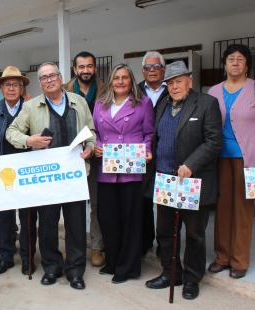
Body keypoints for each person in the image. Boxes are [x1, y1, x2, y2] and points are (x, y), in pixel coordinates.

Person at [6, 62, 95, 290]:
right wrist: (29, 140)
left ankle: (75, 271)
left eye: (52, 75)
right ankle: (52, 267)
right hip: (47, 177)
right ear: (40, 82)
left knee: (76, 225)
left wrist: (91, 147)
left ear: (61, 77)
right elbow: (11, 132)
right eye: (43, 78)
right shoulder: (31, 106)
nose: (48, 80)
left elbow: (91, 131)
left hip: (74, 174)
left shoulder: (79, 102)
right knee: (47, 225)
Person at [144, 61, 222, 300]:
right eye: (170, 83)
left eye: (179, 81)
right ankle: (171, 273)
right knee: (166, 232)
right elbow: (155, 137)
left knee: (195, 234)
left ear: (190, 80)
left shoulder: (206, 103)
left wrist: (191, 164)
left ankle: (191, 279)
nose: (174, 87)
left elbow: (213, 141)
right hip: (166, 181)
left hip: (192, 181)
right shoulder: (163, 104)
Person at [208, 44, 255, 279]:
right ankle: (222, 256)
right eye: (230, 59)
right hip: (219, 158)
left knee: (243, 211)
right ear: (224, 64)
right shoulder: (214, 91)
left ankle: (239, 260)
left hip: (248, 158)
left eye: (240, 59)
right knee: (222, 208)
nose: (235, 62)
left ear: (247, 65)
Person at [93, 64, 154, 283]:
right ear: (110, 81)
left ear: (131, 80)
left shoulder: (143, 103)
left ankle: (127, 267)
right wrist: (97, 145)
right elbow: (96, 132)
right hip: (107, 168)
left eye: (125, 78)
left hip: (131, 168)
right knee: (108, 218)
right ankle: (112, 261)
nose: (120, 81)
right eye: (116, 78)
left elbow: (149, 133)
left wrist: (146, 150)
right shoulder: (100, 104)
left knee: (131, 219)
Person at [0, 66, 37, 275]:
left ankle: (28, 256)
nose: (11, 88)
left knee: (28, 215)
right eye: (7, 84)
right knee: (3, 215)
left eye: (16, 84)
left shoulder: (32, 109)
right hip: (2, 171)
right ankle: (5, 256)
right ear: (1, 87)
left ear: (22, 88)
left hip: (27, 171)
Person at [64, 51, 105, 267]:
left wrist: (98, 146)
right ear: (75, 69)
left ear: (95, 68)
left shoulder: (106, 90)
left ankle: (97, 247)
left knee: (97, 204)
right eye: (81, 67)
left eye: (90, 66)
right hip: (73, 156)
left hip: (98, 154)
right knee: (74, 204)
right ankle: (75, 248)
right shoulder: (64, 90)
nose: (86, 70)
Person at [138, 51, 169, 256]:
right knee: (143, 199)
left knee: (166, 202)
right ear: (142, 71)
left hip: (167, 152)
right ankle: (145, 241)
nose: (152, 71)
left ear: (163, 70)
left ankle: (165, 246)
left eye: (156, 67)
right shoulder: (136, 91)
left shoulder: (173, 88)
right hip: (142, 152)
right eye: (148, 68)